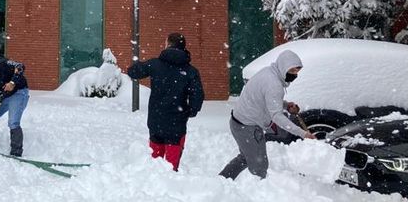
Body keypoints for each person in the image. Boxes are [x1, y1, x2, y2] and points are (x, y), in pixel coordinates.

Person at [218, 49, 316, 179]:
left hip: (238, 122)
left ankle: (222, 180)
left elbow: (267, 98)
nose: (294, 75)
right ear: (283, 67)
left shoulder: (269, 73)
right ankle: (259, 192)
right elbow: (277, 116)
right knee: (259, 167)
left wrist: (286, 105)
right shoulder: (274, 84)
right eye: (292, 71)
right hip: (248, 127)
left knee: (246, 157)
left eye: (297, 72)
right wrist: (303, 133)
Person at [127, 32, 204, 171]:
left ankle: (154, 187)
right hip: (177, 123)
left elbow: (133, 72)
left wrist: (136, 64)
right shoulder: (191, 71)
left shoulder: (155, 64)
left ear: (168, 44)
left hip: (156, 121)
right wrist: (191, 111)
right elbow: (197, 96)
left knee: (155, 163)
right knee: (171, 166)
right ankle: (169, 184)